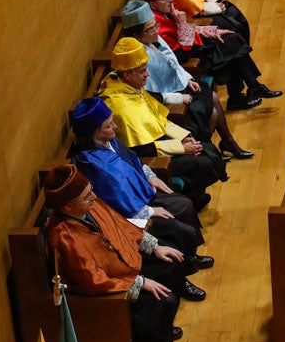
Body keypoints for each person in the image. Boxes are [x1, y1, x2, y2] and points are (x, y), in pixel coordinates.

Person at [43, 165, 194, 342]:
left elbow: (121, 226)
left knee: (172, 262)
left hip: (122, 264)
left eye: (91, 189)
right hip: (108, 289)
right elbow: (89, 279)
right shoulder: (63, 237)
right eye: (87, 196)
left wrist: (155, 247)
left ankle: (162, 329)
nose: (94, 196)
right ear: (68, 205)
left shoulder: (90, 206)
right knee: (163, 301)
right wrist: (140, 283)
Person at [69, 97, 211, 264]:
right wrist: (150, 211)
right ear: (94, 132)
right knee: (176, 221)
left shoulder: (110, 141)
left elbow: (133, 159)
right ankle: (187, 262)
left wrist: (151, 176)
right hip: (130, 213)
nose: (115, 127)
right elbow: (115, 195)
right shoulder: (92, 162)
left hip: (142, 193)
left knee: (184, 203)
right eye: (108, 125)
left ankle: (191, 254)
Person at [129, 0, 255, 158]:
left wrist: (187, 79)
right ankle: (209, 148)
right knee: (210, 109)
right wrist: (181, 96)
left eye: (155, 26)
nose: (156, 30)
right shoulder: (140, 55)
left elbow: (171, 60)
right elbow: (154, 89)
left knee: (212, 95)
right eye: (151, 28)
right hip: (168, 101)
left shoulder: (153, 36)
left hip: (180, 83)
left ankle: (224, 143)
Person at [97, 37, 226, 203]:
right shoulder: (120, 106)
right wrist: (181, 148)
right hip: (150, 155)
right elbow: (143, 149)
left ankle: (196, 194)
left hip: (157, 141)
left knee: (205, 147)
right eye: (143, 71)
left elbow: (156, 116)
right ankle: (193, 199)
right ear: (128, 74)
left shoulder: (128, 84)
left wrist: (182, 137)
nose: (147, 75)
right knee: (202, 162)